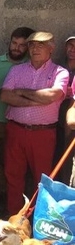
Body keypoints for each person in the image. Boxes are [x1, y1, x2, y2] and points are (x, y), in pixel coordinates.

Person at [0, 31, 68, 216]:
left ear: (51, 49)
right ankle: (14, 217)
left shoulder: (60, 72)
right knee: (13, 175)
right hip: (16, 130)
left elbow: (53, 95)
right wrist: (38, 99)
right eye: (32, 45)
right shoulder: (17, 70)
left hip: (43, 134)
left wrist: (21, 92)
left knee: (42, 177)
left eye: (41, 45)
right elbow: (5, 95)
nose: (35, 49)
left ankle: (39, 218)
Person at [0, 27, 35, 217]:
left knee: (14, 164)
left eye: (22, 45)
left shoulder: (32, 68)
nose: (17, 48)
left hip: (19, 124)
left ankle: (3, 194)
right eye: (14, 43)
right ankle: (6, 188)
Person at [55, 33, 75, 183]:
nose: (73, 49)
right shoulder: (56, 67)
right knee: (56, 155)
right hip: (54, 117)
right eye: (70, 45)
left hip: (72, 120)